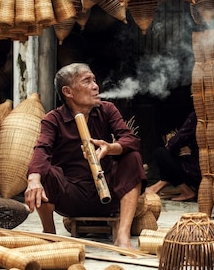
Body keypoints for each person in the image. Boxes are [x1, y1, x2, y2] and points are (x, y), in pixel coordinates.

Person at [24, 63, 147, 249]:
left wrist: (110, 148)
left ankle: (122, 235)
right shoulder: (53, 119)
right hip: (71, 196)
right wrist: (33, 179)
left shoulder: (107, 109)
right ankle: (49, 233)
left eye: (94, 80)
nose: (95, 86)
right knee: (45, 171)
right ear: (68, 91)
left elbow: (131, 139)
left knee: (132, 157)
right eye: (87, 81)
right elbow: (42, 149)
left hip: (108, 193)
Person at [145, 111, 201, 201]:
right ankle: (156, 187)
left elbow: (176, 142)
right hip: (203, 172)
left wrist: (170, 143)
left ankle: (187, 191)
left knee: (161, 154)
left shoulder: (197, 115)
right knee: (171, 159)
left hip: (196, 172)